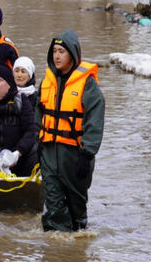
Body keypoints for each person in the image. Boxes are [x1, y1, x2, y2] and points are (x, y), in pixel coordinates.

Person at [36, 29, 105, 232]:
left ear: (73, 55)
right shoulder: (47, 82)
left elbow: (95, 120)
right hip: (49, 153)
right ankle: (56, 252)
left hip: (75, 156)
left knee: (77, 210)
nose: (57, 56)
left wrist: (87, 152)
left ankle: (75, 250)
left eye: (62, 52)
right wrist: (37, 144)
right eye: (54, 51)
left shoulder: (88, 85)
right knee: (53, 204)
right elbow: (37, 115)